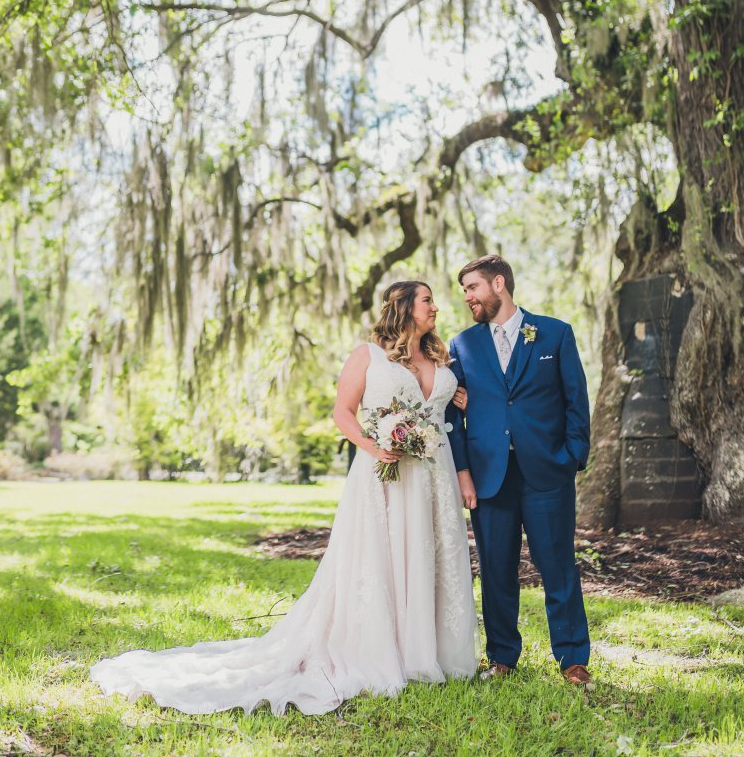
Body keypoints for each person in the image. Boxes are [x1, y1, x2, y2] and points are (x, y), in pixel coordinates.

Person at [89, 280, 478, 713]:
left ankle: (427, 652)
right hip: (384, 475)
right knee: (382, 559)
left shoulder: (444, 359)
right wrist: (373, 446)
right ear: (404, 307)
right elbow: (343, 413)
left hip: (434, 476)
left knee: (430, 557)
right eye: (427, 300)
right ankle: (384, 651)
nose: (436, 307)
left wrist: (459, 402)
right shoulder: (367, 355)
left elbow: (450, 410)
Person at [445, 254, 595, 686]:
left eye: (472, 288)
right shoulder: (462, 345)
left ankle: (572, 660)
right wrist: (464, 473)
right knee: (495, 569)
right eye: (465, 292)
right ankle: (503, 656)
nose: (468, 298)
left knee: (558, 566)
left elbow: (576, 401)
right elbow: (452, 416)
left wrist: (572, 458)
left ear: (498, 284)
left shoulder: (554, 333)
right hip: (490, 475)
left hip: (548, 473)